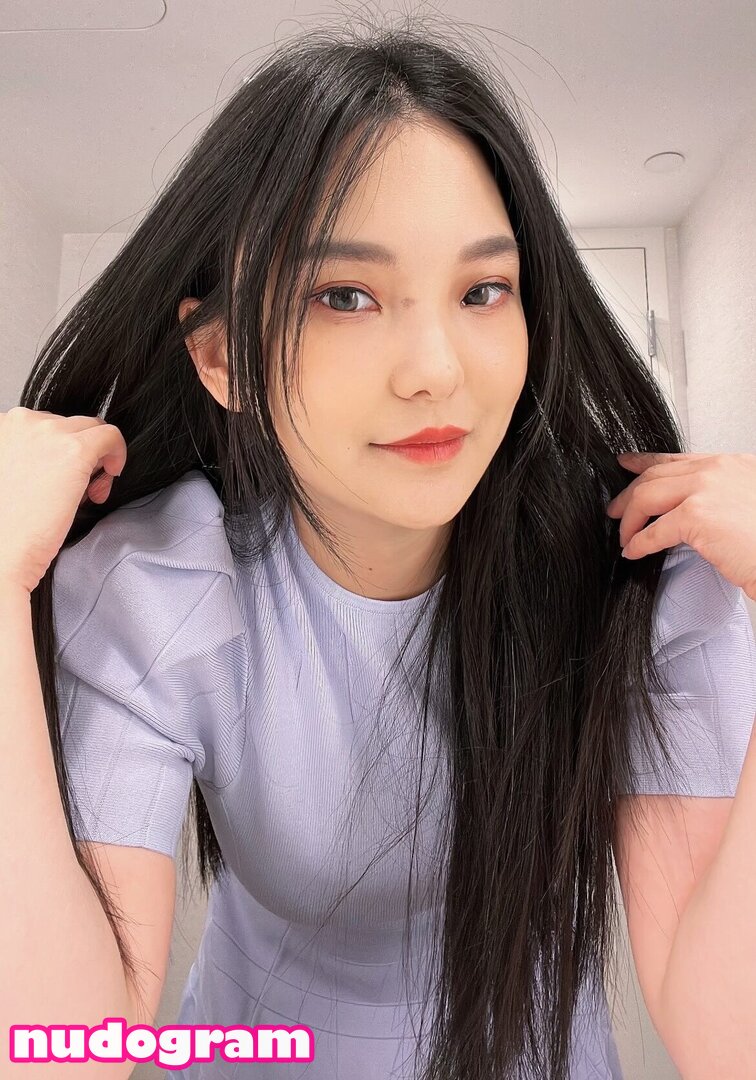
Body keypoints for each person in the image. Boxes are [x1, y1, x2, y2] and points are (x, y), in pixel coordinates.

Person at [2, 16, 755, 1080]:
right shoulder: (153, 586)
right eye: (344, 296)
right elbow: (62, 1052)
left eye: (483, 291)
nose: (436, 369)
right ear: (221, 358)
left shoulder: (645, 574)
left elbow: (726, 1044)